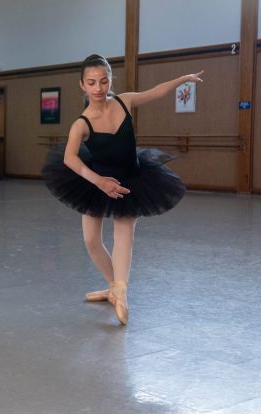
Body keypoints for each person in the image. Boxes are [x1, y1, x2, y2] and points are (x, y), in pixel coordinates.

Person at [42, 54, 200, 325]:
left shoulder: (124, 101)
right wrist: (99, 181)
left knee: (124, 234)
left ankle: (121, 292)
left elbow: (155, 92)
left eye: (104, 81)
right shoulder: (81, 123)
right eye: (92, 82)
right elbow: (70, 158)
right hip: (96, 182)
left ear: (110, 80)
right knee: (91, 241)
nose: (98, 88)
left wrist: (183, 79)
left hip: (130, 181)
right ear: (82, 85)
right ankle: (113, 286)